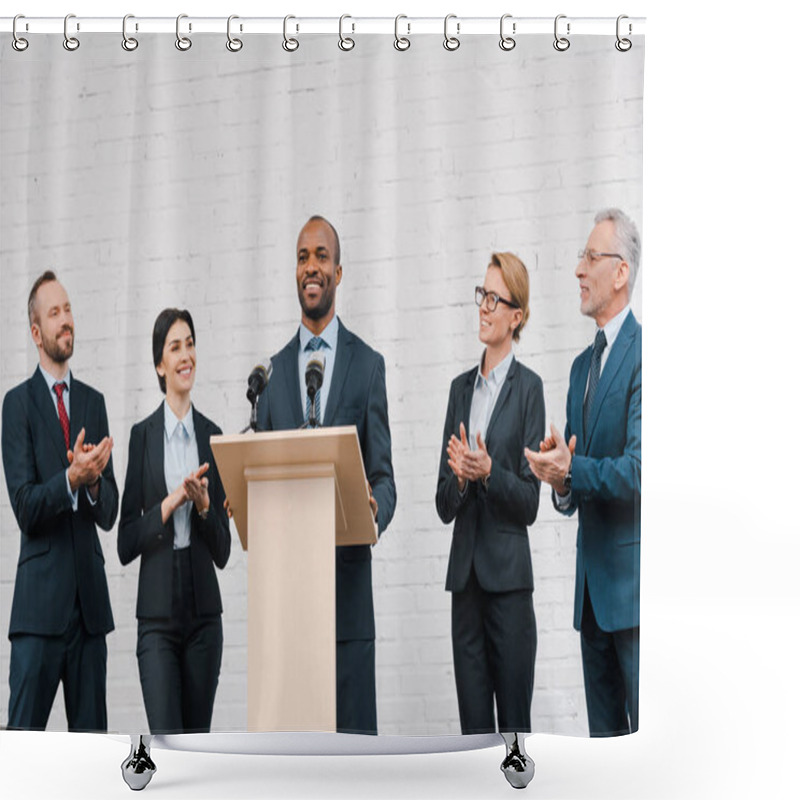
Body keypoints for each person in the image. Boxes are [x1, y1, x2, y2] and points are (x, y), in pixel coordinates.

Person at [256, 215, 396, 735]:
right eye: (301, 257)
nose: (310, 266)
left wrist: (374, 506)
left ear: (339, 271)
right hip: (287, 607)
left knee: (356, 764)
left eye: (320, 256)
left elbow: (384, 476)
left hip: (348, 604)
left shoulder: (369, 366)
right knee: (294, 764)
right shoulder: (269, 375)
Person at [525, 208, 641, 736]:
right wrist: (559, 477)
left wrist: (576, 468)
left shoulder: (647, 355)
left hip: (635, 597)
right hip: (590, 599)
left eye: (591, 257)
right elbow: (575, 487)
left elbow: (639, 472)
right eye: (580, 257)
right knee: (604, 756)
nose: (578, 270)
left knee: (648, 750)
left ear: (620, 273)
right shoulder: (578, 369)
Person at [1, 271, 118, 731]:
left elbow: (108, 511)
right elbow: (26, 507)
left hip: (89, 613)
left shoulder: (94, 401)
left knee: (92, 757)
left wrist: (91, 484)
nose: (66, 320)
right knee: (21, 753)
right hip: (38, 613)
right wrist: (71, 478)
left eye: (68, 310)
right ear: (36, 332)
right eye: (55, 313)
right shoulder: (17, 405)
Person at [435, 252, 545, 736]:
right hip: (466, 587)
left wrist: (488, 472)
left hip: (510, 588)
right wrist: (460, 478)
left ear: (516, 315)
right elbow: (442, 504)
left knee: (513, 732)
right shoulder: (460, 390)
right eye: (482, 295)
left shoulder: (530, 390)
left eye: (495, 299)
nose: (483, 307)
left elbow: (529, 502)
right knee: (474, 736)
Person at [118, 308, 231, 734]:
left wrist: (202, 506)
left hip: (204, 617)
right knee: (166, 745)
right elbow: (126, 542)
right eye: (175, 346)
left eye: (190, 343)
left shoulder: (213, 437)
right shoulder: (142, 437)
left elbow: (222, 551)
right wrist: (170, 503)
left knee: (196, 748)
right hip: (157, 619)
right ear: (160, 365)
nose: (186, 355)